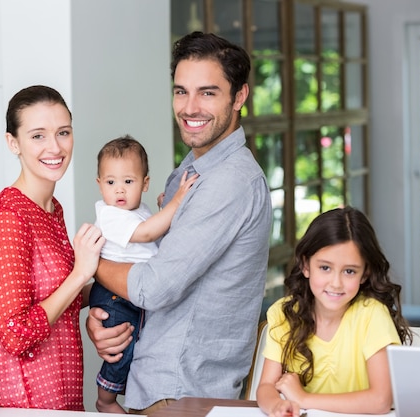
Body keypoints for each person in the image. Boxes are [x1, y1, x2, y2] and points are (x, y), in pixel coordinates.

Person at [86, 31, 273, 415]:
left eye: (207, 92)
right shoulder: (193, 169)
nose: (190, 107)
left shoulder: (230, 181)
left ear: (239, 97)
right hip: (157, 382)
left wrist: (89, 264)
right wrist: (103, 311)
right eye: (180, 91)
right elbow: (147, 263)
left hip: (182, 390)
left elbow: (153, 286)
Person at [0, 85, 105, 410]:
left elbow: (53, 301)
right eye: (38, 135)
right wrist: (81, 272)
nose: (55, 147)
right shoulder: (8, 216)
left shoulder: (52, 209)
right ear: (13, 143)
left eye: (63, 132)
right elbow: (17, 332)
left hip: (57, 398)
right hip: (22, 404)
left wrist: (113, 287)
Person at [256, 206, 413, 417]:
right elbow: (266, 386)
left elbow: (381, 400)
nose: (336, 283)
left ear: (364, 274)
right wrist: (276, 405)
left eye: (349, 271)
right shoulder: (284, 314)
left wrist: (303, 399)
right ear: (305, 265)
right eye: (325, 268)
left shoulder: (372, 315)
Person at [89, 135, 197, 413]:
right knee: (120, 349)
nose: (119, 190)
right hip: (115, 295)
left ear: (145, 184)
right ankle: (106, 399)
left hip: (132, 292)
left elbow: (152, 240)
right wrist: (177, 202)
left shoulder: (137, 211)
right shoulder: (110, 215)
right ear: (100, 185)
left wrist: (163, 209)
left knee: (134, 345)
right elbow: (148, 233)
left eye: (129, 181)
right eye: (110, 182)